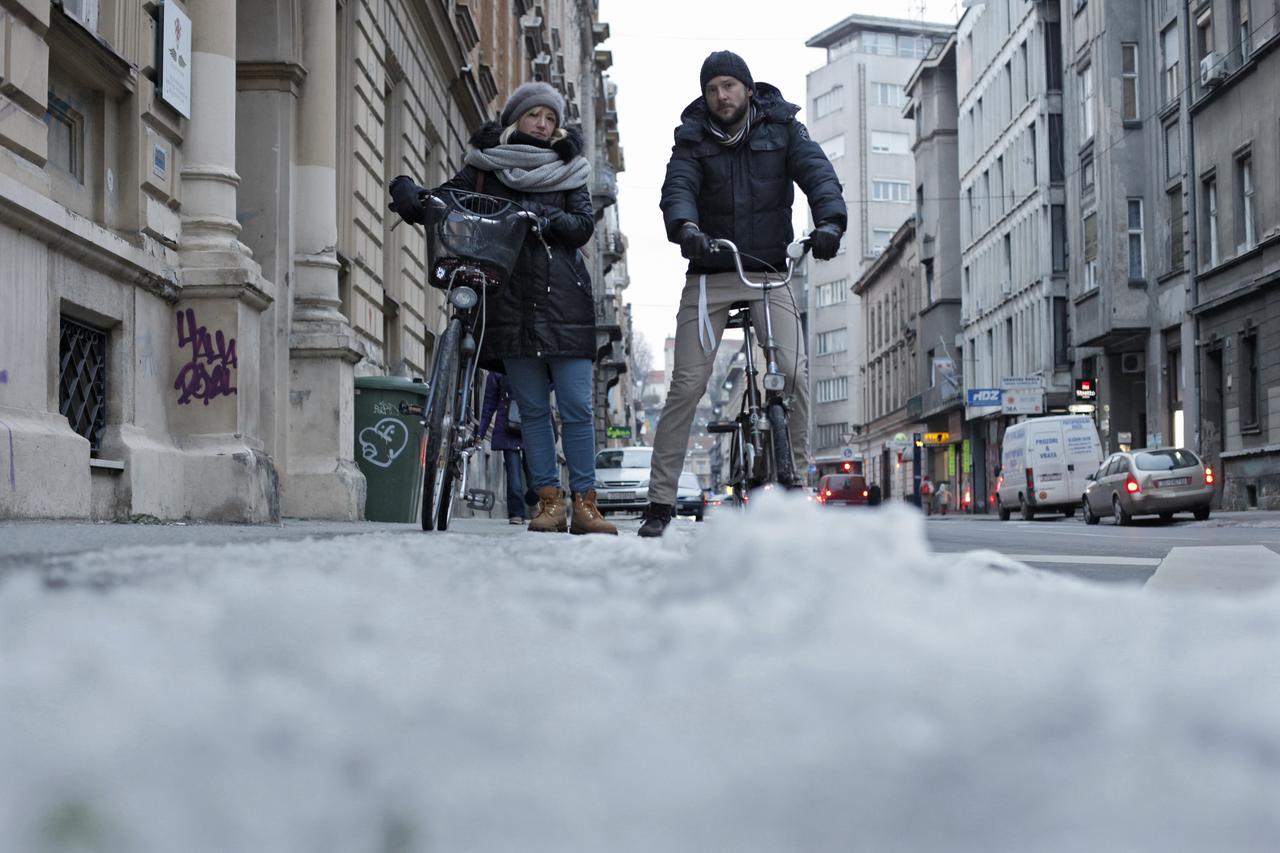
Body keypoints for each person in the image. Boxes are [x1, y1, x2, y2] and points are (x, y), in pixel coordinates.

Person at [388, 81, 616, 535]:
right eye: (535, 115)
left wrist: (546, 220)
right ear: (516, 118)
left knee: (575, 407)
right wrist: (413, 195)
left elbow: (582, 226)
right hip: (507, 298)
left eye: (550, 119)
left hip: (564, 299)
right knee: (530, 408)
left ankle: (586, 505)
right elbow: (449, 197)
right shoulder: (484, 167)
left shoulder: (571, 171)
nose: (543, 125)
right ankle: (548, 503)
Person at [637, 51, 848, 537]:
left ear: (748, 90)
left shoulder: (784, 129)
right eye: (712, 89)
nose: (721, 96)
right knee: (687, 385)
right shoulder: (691, 138)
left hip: (770, 269)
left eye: (729, 86)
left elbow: (819, 175)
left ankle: (795, 481)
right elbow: (678, 188)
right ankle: (660, 501)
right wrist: (685, 226)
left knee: (792, 373)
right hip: (710, 269)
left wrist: (830, 223)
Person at [477, 372, 537, 524]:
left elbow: (549, 384)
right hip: (507, 428)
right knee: (513, 475)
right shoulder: (497, 370)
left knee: (535, 475)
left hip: (532, 426)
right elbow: (489, 404)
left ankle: (534, 501)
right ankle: (516, 513)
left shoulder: (533, 363)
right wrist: (480, 433)